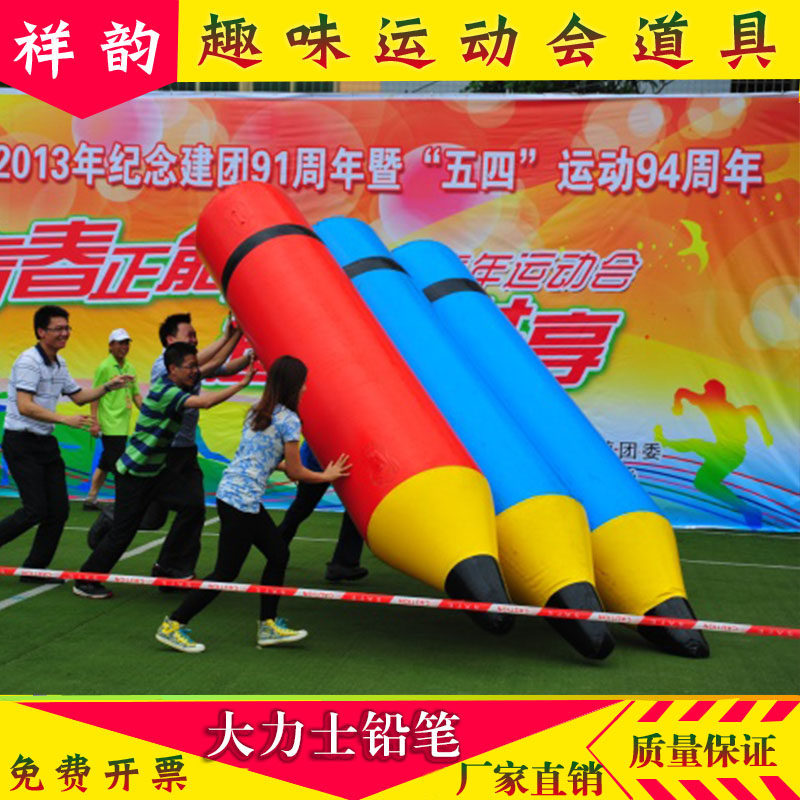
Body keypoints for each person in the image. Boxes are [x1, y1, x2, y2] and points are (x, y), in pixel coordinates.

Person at [155, 355, 350, 653]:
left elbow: (262, 456)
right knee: (226, 572)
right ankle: (173, 624)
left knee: (278, 553)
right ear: (293, 385)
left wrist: (294, 468)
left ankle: (267, 625)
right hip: (242, 501)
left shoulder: (258, 411)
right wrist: (327, 475)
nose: (305, 388)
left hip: (234, 495)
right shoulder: (289, 419)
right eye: (303, 383)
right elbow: (296, 471)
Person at [73, 341, 255, 599]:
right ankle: (86, 579)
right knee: (124, 532)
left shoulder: (181, 382)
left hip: (156, 471)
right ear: (172, 369)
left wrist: (233, 337)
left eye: (195, 366)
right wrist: (242, 384)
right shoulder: (167, 392)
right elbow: (206, 403)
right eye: (189, 366)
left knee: (192, 506)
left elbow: (215, 365)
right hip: (134, 473)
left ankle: (169, 568)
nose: (194, 371)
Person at [0, 305, 133, 584]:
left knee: (59, 511)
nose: (65, 333)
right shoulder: (28, 361)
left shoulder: (59, 363)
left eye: (67, 328)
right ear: (41, 332)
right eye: (58, 329)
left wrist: (109, 386)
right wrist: (64, 419)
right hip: (21, 442)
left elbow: (79, 396)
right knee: (35, 510)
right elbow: (25, 406)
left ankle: (35, 570)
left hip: (45, 443)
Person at [147, 312, 251, 583]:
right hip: (166, 450)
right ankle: (171, 566)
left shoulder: (189, 366)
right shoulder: (164, 366)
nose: (194, 340)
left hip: (186, 449)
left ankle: (173, 567)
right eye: (189, 336)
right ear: (170, 340)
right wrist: (232, 336)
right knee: (168, 511)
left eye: (195, 336)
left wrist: (249, 350)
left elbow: (224, 366)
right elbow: (213, 362)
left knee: (189, 509)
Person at [277, 441, 367, 581]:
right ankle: (275, 549)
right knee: (301, 509)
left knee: (355, 510)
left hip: (347, 463)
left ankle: (343, 564)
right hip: (320, 463)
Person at [83, 328, 142, 511]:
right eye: (120, 343)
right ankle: (124, 502)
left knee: (106, 462)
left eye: (126, 343)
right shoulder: (105, 367)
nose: (124, 347)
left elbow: (136, 395)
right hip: (110, 423)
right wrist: (94, 421)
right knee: (118, 465)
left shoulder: (130, 367)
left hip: (123, 423)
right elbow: (94, 395)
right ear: (110, 346)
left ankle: (91, 498)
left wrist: (149, 413)